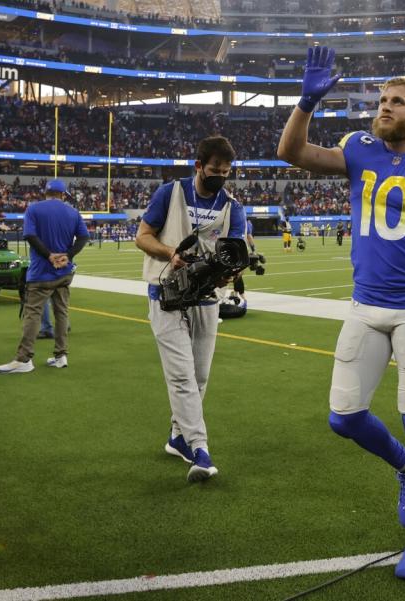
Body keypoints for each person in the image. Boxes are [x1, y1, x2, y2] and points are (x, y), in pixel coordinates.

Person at [277, 46, 405, 580]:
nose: (384, 107)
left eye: (397, 101)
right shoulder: (359, 149)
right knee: (343, 418)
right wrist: (306, 103)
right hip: (365, 305)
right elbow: (292, 152)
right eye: (382, 99)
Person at [135, 136, 247, 483]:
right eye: (215, 170)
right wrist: (171, 254)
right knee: (182, 375)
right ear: (198, 166)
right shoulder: (170, 193)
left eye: (226, 172)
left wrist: (230, 271)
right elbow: (142, 235)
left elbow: (236, 251)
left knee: (198, 377)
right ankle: (200, 449)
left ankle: (176, 437)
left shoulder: (233, 206)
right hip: (166, 293)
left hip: (206, 298)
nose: (220, 177)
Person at [0, 180, 88, 374]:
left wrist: (48, 255)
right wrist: (67, 256)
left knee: (33, 314)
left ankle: (24, 359)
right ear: (63, 195)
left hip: (41, 272)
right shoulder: (73, 212)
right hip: (64, 271)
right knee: (61, 313)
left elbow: (29, 235)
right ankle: (61, 356)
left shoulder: (34, 209)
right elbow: (84, 237)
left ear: (46, 192)